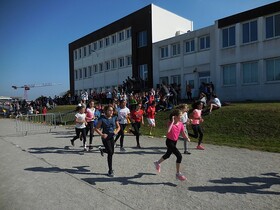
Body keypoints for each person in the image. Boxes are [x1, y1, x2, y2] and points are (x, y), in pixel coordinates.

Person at [153, 109, 190, 181]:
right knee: (179, 156)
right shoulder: (170, 123)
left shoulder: (181, 124)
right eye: (180, 116)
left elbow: (182, 133)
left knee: (168, 155)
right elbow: (168, 131)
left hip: (174, 142)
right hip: (169, 142)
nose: (181, 117)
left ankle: (157, 162)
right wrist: (173, 122)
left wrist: (187, 138)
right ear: (175, 117)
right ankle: (178, 173)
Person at [95, 104, 120, 177]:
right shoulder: (102, 119)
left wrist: (116, 132)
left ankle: (102, 149)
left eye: (112, 110)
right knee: (110, 152)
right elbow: (96, 128)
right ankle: (110, 170)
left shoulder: (114, 117)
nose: (111, 112)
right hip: (105, 137)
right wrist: (102, 134)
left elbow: (119, 127)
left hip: (112, 136)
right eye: (109, 110)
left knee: (112, 152)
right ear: (106, 111)